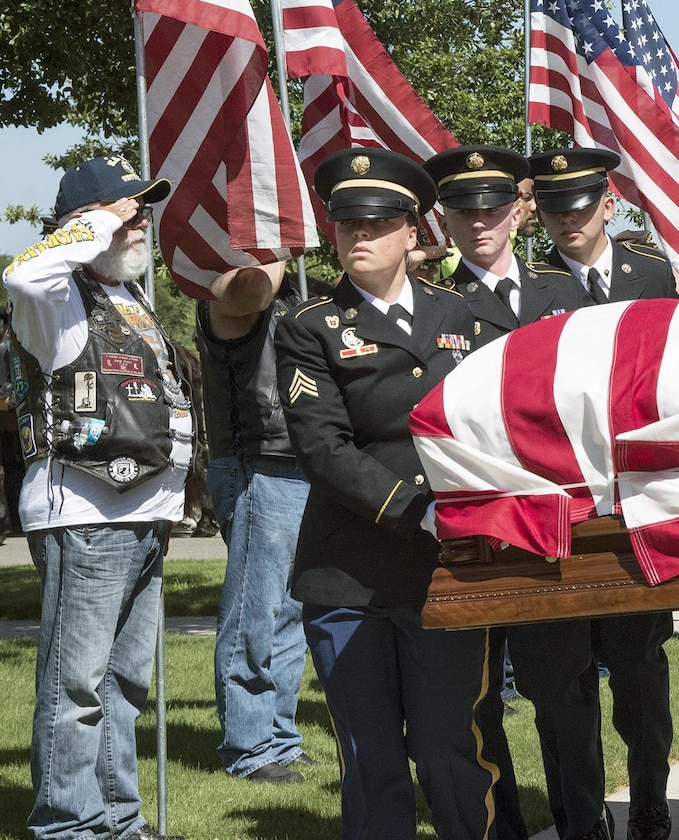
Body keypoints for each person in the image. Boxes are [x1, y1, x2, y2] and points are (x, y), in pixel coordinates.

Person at [273, 148, 498, 840]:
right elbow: (324, 450)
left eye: (375, 223)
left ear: (411, 231)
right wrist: (416, 508)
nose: (358, 238)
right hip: (351, 575)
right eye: (346, 226)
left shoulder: (470, 316)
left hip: (449, 570)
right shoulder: (309, 327)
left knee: (449, 746)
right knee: (371, 758)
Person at [4, 155, 189, 840]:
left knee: (122, 686)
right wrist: (91, 225)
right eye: (128, 209)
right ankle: (67, 824)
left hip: (145, 512)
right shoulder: (53, 297)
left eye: (141, 209)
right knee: (74, 688)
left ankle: (117, 819)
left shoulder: (128, 295)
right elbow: (22, 270)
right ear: (85, 222)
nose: (141, 220)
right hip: (83, 513)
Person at [424, 143, 591, 840]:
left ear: (519, 211)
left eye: (492, 207)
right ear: (445, 217)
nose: (478, 221)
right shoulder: (432, 304)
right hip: (475, 523)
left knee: (565, 695)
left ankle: (585, 825)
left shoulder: (565, 291)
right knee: (476, 699)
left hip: (559, 519)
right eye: (463, 210)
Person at [530, 147, 675, 840]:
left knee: (640, 670)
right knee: (562, 679)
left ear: (608, 206)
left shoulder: (649, 273)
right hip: (559, 502)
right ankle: (582, 817)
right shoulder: (527, 284)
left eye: (580, 208)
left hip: (634, 501)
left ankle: (650, 796)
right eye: (553, 210)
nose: (566, 221)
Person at [193, 261, 317, 783]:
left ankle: (279, 738)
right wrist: (276, 232)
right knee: (255, 611)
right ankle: (250, 745)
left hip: (299, 463)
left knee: (289, 613)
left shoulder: (296, 294)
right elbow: (247, 291)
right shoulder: (230, 285)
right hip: (258, 464)